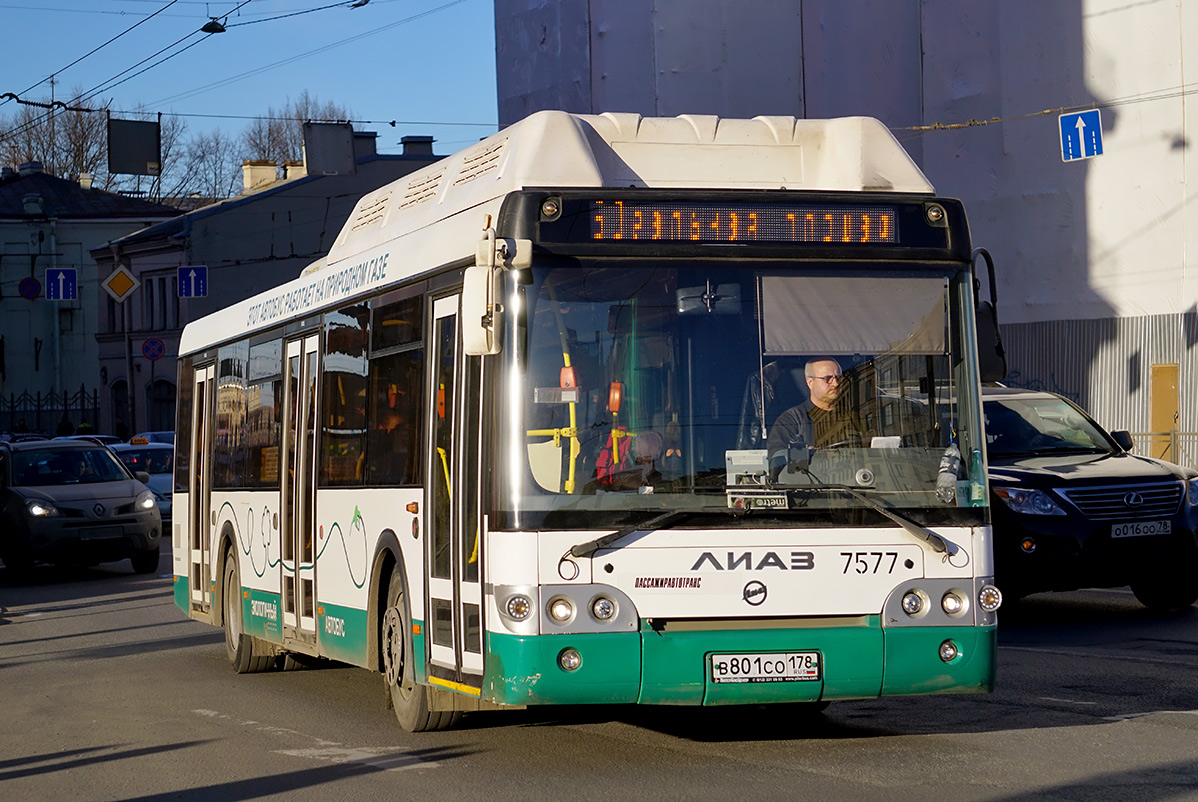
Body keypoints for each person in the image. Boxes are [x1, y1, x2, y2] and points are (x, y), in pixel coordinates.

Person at [766, 357, 866, 470]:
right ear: (810, 382)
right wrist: (806, 455)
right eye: (828, 378)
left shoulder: (856, 417)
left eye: (838, 377)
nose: (836, 383)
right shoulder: (791, 420)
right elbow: (778, 462)